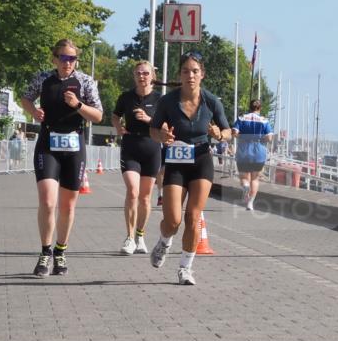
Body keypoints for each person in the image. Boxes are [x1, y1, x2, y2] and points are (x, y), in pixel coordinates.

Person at [20, 39, 102, 277]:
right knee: (47, 202)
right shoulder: (44, 78)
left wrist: (78, 105)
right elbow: (26, 97)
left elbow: (97, 115)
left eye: (72, 59)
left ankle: (61, 250)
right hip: (48, 143)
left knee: (67, 205)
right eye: (63, 58)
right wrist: (33, 111)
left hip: (74, 146)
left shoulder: (85, 81)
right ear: (54, 58)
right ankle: (45, 252)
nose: (68, 63)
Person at [149, 51, 231, 285]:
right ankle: (164, 241)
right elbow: (153, 131)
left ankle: (186, 267)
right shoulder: (167, 101)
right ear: (180, 75)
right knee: (173, 220)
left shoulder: (211, 101)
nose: (190, 75)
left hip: (201, 160)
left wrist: (219, 134)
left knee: (193, 217)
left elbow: (226, 131)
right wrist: (162, 135)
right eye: (186, 71)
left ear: (202, 74)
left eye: (195, 71)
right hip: (175, 162)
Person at [112, 60, 163, 255]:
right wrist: (117, 126)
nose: (141, 76)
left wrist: (149, 119)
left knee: (144, 197)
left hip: (151, 148)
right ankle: (129, 237)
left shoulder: (160, 99)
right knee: (132, 191)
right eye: (138, 73)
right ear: (134, 76)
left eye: (145, 73)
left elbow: (166, 124)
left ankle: (141, 235)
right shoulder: (126, 97)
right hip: (131, 146)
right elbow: (115, 116)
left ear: (152, 76)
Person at [233, 99, 274, 211]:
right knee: (255, 179)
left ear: (249, 107)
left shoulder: (241, 118)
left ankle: (245, 186)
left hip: (244, 150)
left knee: (244, 176)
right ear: (260, 108)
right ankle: (250, 203)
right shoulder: (264, 120)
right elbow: (269, 137)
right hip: (259, 151)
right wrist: (261, 138)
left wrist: (243, 136)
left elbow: (234, 133)